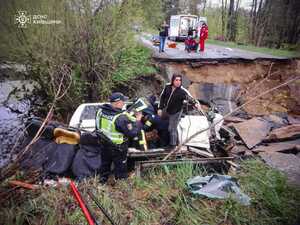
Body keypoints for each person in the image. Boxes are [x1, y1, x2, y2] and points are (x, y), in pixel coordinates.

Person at [96, 92, 143, 183]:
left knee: (104, 166)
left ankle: (102, 184)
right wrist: (138, 119)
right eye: (123, 101)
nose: (124, 103)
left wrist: (126, 115)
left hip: (104, 144)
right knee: (120, 170)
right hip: (118, 148)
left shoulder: (100, 111)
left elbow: (98, 127)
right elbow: (132, 132)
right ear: (118, 103)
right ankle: (121, 187)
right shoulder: (120, 118)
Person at [157, 74, 202, 150]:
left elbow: (190, 98)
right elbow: (162, 97)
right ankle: (163, 142)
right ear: (172, 80)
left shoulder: (182, 91)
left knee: (172, 128)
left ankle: (173, 145)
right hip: (166, 109)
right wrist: (160, 108)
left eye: (180, 80)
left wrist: (196, 104)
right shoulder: (167, 87)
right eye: (176, 80)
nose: (178, 82)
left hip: (176, 112)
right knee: (162, 124)